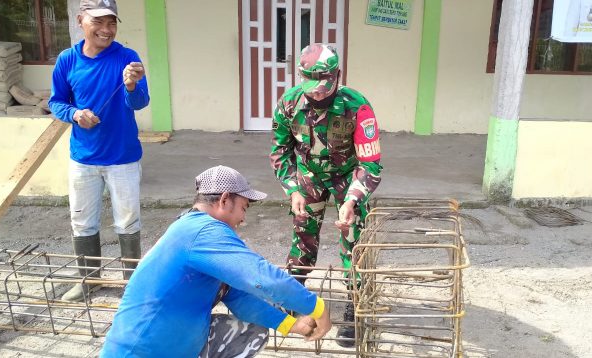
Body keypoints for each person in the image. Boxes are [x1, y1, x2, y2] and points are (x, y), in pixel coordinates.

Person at [100, 166, 332, 357]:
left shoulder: (192, 227)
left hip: (168, 344)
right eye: (243, 207)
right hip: (139, 351)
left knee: (249, 333)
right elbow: (261, 277)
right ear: (224, 200)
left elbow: (238, 297)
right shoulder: (204, 232)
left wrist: (293, 324)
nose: (243, 218)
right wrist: (317, 307)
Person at [269, 43, 382, 347]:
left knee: (354, 242)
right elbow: (281, 151)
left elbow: (370, 164)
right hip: (308, 176)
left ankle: (355, 308)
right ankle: (293, 298)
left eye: (324, 87)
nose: (317, 94)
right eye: (312, 88)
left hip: (348, 177)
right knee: (303, 238)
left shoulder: (357, 106)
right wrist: (293, 188)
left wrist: (353, 199)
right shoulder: (289, 103)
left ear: (338, 75)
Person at [48, 0, 150, 301]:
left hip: (123, 156)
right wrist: (76, 114)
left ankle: (131, 283)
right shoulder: (67, 60)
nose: (107, 30)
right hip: (83, 157)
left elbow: (140, 103)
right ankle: (88, 279)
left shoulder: (127, 58)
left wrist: (132, 86)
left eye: (112, 23)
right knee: (82, 220)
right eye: (99, 22)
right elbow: (57, 102)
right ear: (82, 21)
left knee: (128, 221)